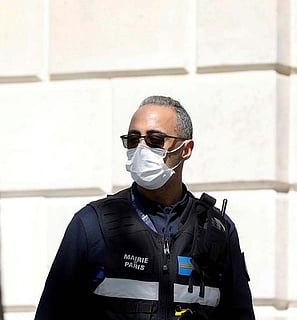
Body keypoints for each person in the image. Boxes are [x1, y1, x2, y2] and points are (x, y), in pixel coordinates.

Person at [35, 95, 255, 320]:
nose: (141, 148)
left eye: (155, 139)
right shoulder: (93, 224)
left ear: (185, 149)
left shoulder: (218, 230)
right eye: (133, 140)